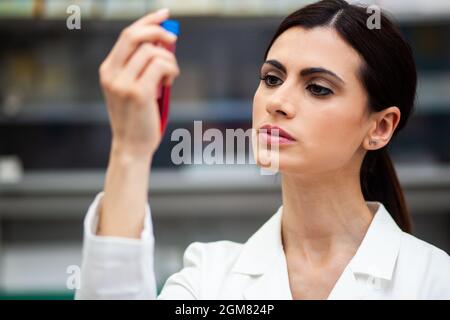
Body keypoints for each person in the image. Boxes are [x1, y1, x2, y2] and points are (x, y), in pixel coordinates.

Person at [75, 0, 450, 299]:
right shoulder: (209, 278)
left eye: (318, 87)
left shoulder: (433, 281)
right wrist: (129, 149)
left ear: (380, 127)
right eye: (272, 78)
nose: (277, 102)